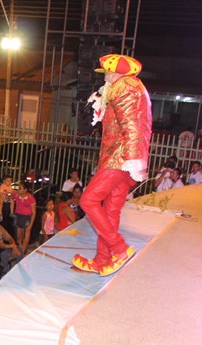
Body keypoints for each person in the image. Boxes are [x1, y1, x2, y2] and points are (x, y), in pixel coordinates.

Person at [73, 54, 152, 276]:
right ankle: (102, 259)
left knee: (88, 200)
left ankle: (119, 249)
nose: (105, 76)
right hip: (121, 158)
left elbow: (132, 126)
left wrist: (132, 159)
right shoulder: (125, 87)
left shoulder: (125, 88)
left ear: (115, 73)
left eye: (107, 72)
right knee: (110, 210)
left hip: (120, 158)